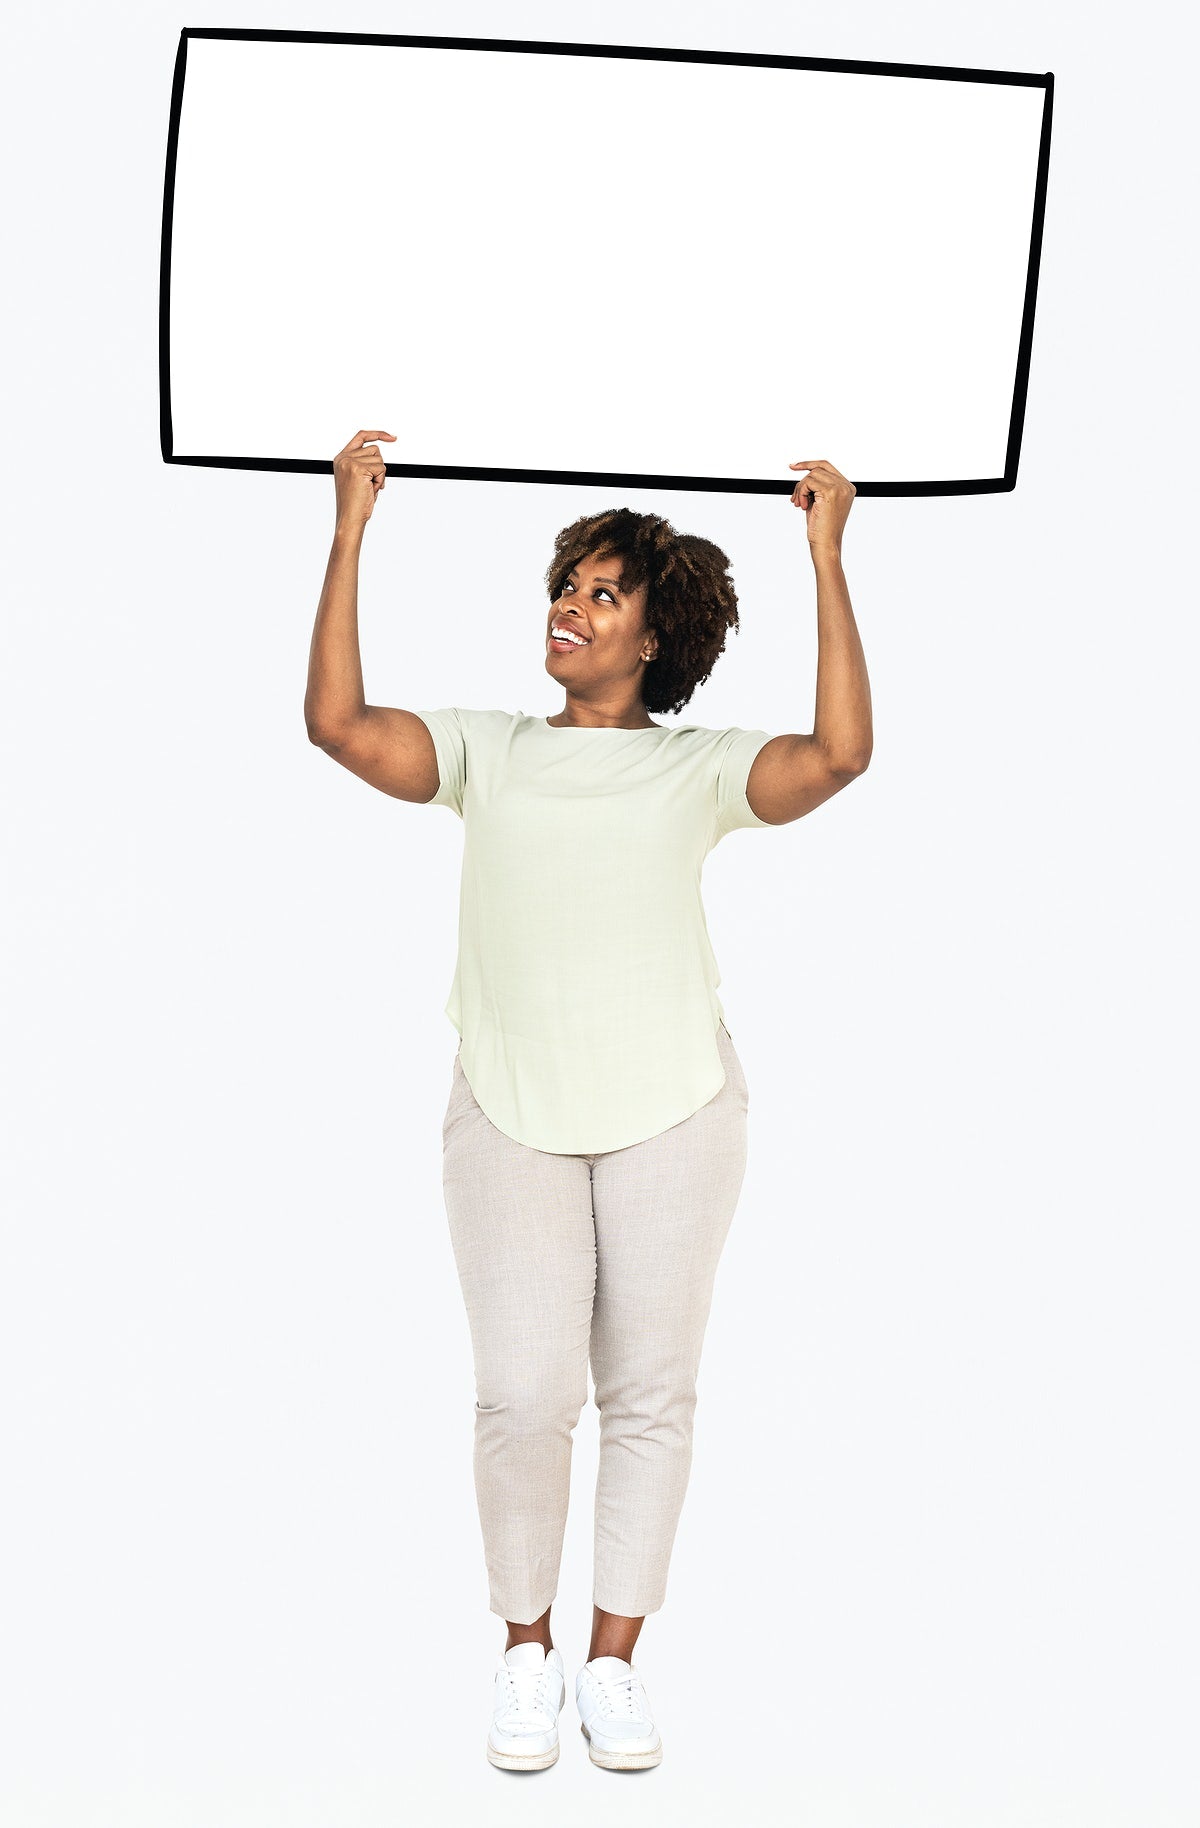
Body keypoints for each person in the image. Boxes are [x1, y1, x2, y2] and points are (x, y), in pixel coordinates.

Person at [304, 429, 872, 1773]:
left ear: (654, 633)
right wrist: (348, 533)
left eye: (602, 592)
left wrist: (828, 557)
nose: (569, 604)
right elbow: (336, 725)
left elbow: (841, 755)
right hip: (508, 1106)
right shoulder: (483, 749)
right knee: (521, 1392)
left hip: (675, 1110)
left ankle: (613, 1664)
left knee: (652, 1391)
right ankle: (524, 1647)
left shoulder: (699, 767)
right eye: (567, 582)